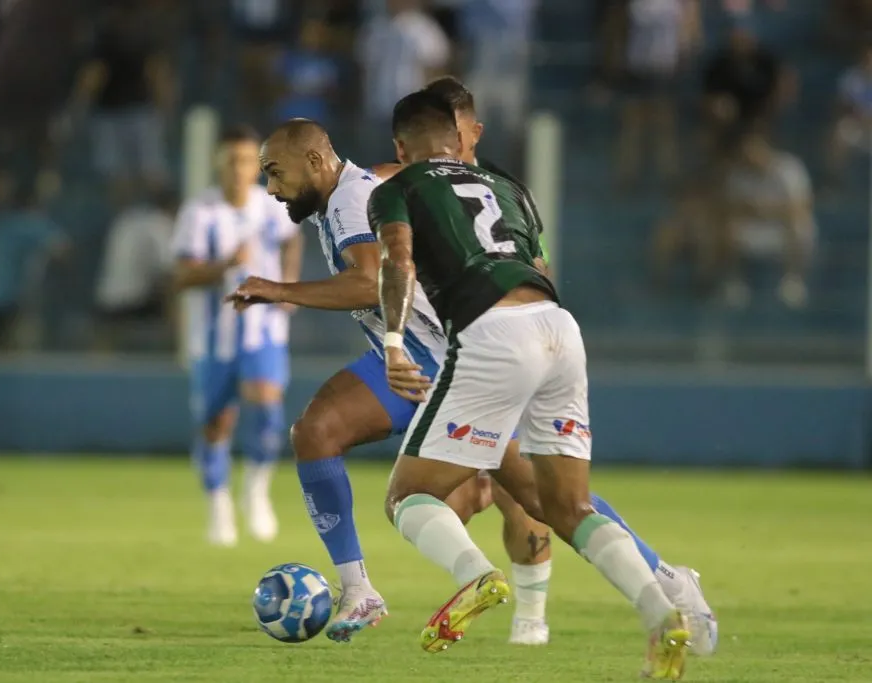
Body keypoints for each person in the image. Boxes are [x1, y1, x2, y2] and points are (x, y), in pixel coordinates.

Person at [231, 115, 713, 658]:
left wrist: (278, 290)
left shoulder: (347, 202)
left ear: (315, 160)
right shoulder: (353, 189)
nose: (271, 188)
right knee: (318, 432)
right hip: (435, 356)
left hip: (443, 363)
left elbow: (369, 282)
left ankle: (666, 581)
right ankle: (361, 592)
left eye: (275, 172)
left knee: (537, 495)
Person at [369, 89, 689, 678]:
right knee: (568, 506)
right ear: (458, 137)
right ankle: (662, 614)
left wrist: (393, 342)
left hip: (492, 333)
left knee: (406, 496)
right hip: (559, 329)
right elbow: (539, 267)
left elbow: (397, 261)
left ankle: (475, 576)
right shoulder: (508, 186)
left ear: (399, 147)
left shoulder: (396, 188)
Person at [170, 125, 302, 547]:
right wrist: (224, 264)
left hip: (263, 332)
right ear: (218, 163)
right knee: (216, 424)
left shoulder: (271, 205)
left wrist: (290, 284)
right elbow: (182, 276)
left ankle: (257, 490)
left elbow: (292, 240)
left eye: (248, 161)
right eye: (232, 161)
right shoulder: (199, 212)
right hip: (213, 337)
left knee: (267, 406)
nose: (240, 169)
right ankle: (219, 503)